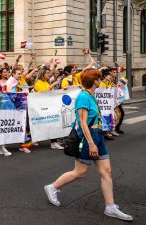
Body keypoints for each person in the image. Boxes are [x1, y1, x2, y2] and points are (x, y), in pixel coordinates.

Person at [44, 69, 133, 221]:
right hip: (88, 137)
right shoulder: (83, 97)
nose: (101, 80)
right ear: (94, 81)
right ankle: (52, 187)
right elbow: (83, 123)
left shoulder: (90, 94)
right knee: (80, 172)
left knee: (107, 171)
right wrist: (91, 143)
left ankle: (110, 207)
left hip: (97, 135)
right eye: (99, 78)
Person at [34, 67, 63, 150]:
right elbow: (43, 94)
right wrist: (52, 86)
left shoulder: (47, 82)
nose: (49, 75)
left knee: (53, 123)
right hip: (42, 107)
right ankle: (53, 142)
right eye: (47, 73)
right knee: (47, 124)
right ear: (42, 74)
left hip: (50, 106)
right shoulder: (38, 83)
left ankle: (54, 141)